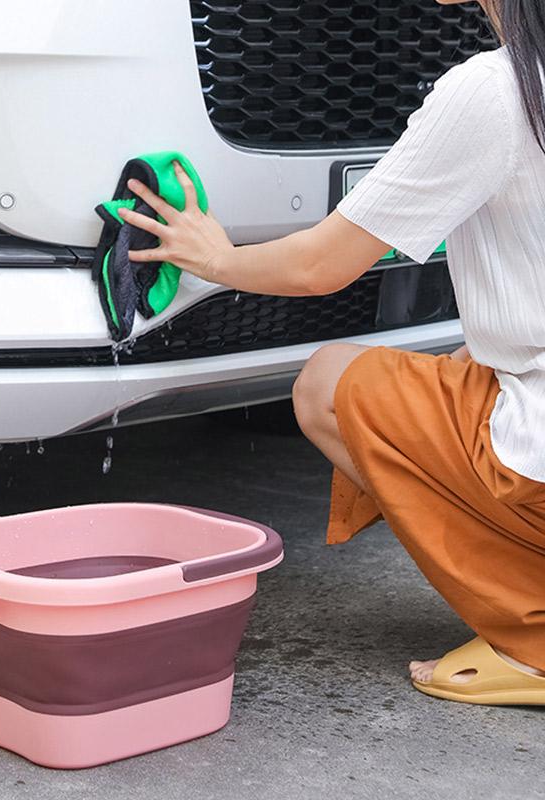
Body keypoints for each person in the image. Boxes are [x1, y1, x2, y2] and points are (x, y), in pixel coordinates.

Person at [118, 0, 545, 705]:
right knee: (467, 373)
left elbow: (322, 266)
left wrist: (215, 257)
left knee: (328, 384)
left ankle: (532, 636)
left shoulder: (494, 90)